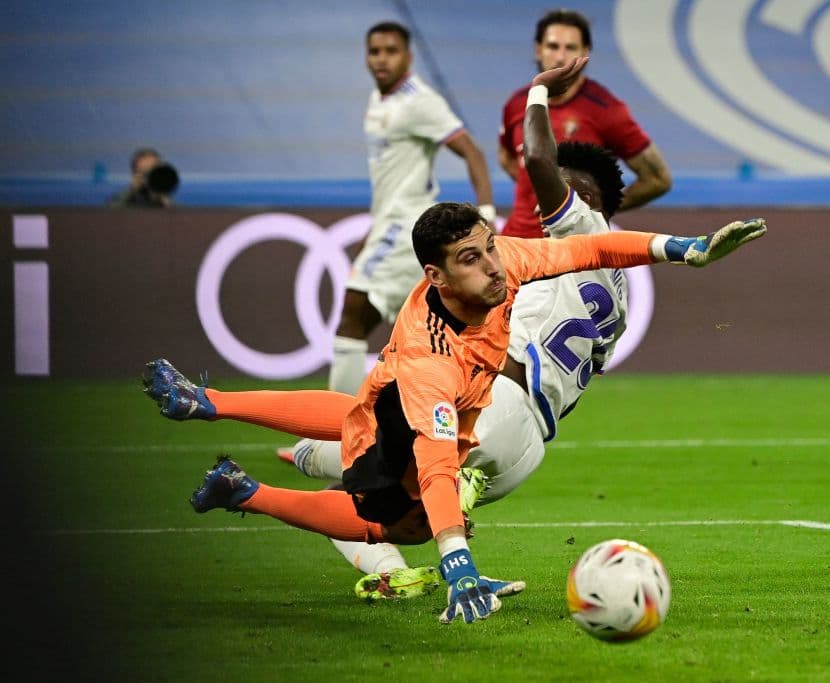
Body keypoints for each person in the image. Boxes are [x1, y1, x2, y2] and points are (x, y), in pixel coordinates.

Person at [142, 58, 765, 625]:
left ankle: (266, 442)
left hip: (500, 407)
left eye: (489, 251)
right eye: (475, 257)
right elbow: (602, 248)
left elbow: (551, 179)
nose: (495, 263)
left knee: (388, 475)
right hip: (528, 438)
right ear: (439, 274)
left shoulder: (524, 252)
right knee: (390, 490)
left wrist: (541, 91)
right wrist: (684, 250)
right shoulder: (516, 302)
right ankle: (252, 479)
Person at [329, 21, 495, 396]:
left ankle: (334, 434)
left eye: (391, 51)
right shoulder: (379, 100)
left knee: (352, 316)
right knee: (436, 324)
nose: (381, 59)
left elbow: (473, 152)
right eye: (374, 51)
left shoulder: (419, 101)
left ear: (409, 56)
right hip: (389, 225)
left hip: (405, 228)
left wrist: (486, 214)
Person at [498, 9, 671, 238]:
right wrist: (545, 183)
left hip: (574, 251)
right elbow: (507, 157)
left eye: (570, 48)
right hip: (517, 243)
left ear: (585, 52)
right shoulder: (518, 103)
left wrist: (593, 210)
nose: (560, 57)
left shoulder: (606, 110)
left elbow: (657, 179)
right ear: (538, 49)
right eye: (552, 46)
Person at [107, 147, 179, 208]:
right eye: (143, 171)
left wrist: (163, 197)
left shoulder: (166, 201)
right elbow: (109, 212)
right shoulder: (125, 202)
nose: (150, 175)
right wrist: (131, 190)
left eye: (153, 169)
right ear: (135, 175)